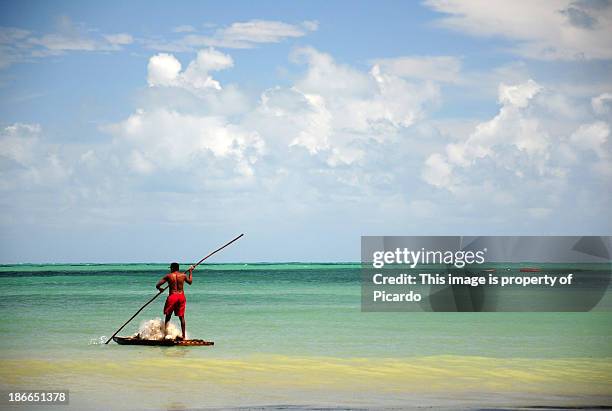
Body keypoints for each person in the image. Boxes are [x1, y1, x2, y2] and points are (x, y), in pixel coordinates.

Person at [156, 262, 193, 340]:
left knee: (168, 316)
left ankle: (165, 335)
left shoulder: (168, 276)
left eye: (171, 268)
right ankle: (183, 336)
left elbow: (158, 285)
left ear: (172, 268)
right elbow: (190, 282)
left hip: (172, 296)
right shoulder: (183, 275)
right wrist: (190, 271)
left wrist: (160, 289)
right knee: (182, 317)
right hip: (181, 297)